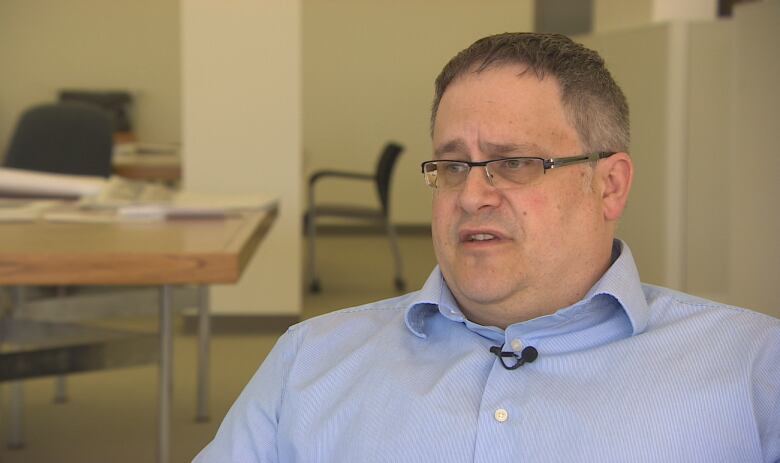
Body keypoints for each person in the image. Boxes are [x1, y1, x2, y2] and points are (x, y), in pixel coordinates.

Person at [195, 33, 780, 462]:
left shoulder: (752, 369)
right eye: (452, 165)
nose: (472, 194)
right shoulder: (310, 362)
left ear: (610, 184)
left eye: (514, 163)